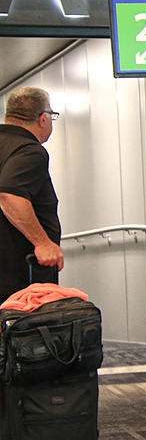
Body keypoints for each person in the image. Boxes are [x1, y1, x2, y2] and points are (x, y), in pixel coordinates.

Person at [0, 87, 62, 301]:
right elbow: (9, 195)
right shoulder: (29, 150)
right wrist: (43, 243)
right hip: (16, 278)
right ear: (43, 118)